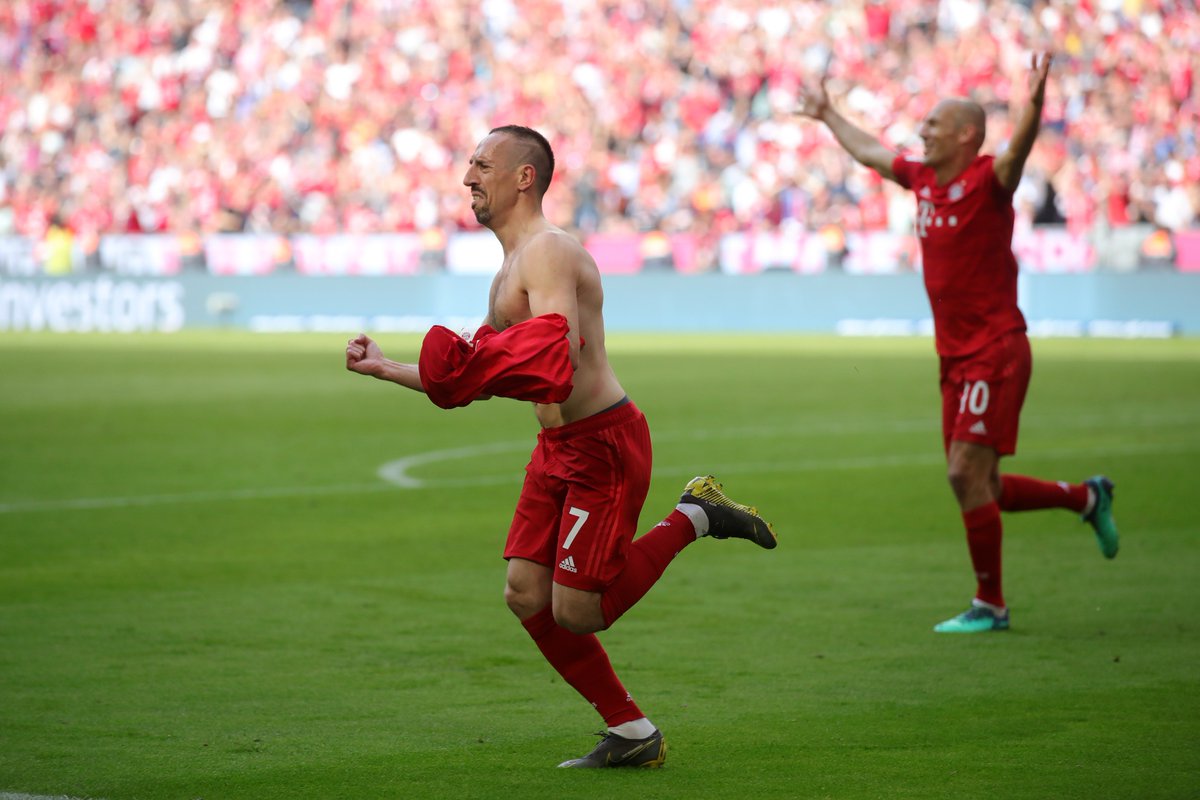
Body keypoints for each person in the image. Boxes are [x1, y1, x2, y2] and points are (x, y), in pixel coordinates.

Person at [345, 125, 777, 765]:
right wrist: (392, 369)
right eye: (469, 165)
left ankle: (696, 515)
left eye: (482, 165)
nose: (468, 178)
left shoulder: (548, 252)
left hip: (602, 443)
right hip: (556, 449)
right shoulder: (507, 273)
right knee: (524, 591)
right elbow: (481, 380)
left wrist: (484, 362)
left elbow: (558, 357)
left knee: (579, 612)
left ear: (524, 177)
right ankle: (632, 733)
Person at [795, 54, 1119, 633]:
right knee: (982, 483)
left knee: (962, 476)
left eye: (934, 125)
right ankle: (1086, 499)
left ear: (967, 135)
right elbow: (870, 150)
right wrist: (828, 116)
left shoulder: (989, 180)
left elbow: (1018, 151)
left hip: (995, 349)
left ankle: (990, 605)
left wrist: (1036, 103)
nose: (922, 132)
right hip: (954, 356)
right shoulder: (921, 179)